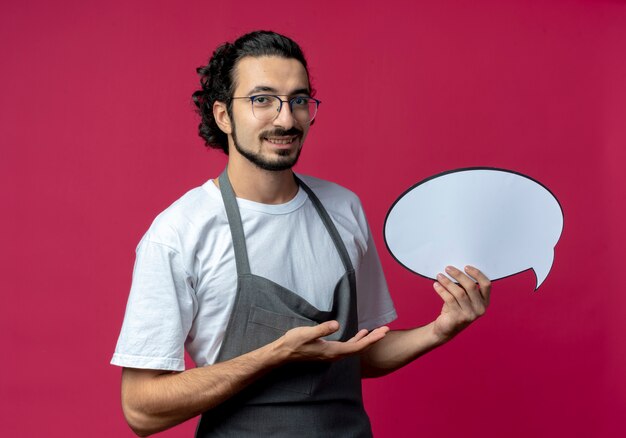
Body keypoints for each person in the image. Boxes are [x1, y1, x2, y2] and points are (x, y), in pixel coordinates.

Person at [111, 30, 491, 437]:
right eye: (262, 100)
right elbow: (141, 410)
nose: (286, 119)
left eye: (298, 100)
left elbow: (357, 353)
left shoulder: (343, 209)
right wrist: (274, 355)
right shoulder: (180, 232)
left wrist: (439, 329)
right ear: (223, 115)